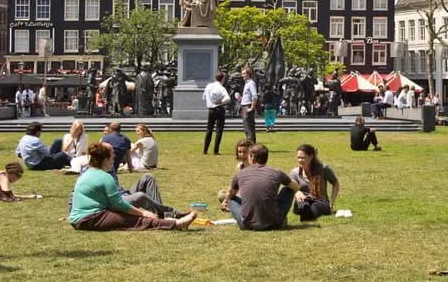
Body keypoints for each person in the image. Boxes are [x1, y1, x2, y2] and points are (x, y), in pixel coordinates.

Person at [68, 143, 196, 231]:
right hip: (90, 218)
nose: (114, 159)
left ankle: (166, 217)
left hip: (83, 218)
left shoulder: (89, 172)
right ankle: (176, 223)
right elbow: (119, 205)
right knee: (136, 220)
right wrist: (144, 212)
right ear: (105, 159)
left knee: (135, 216)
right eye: (112, 157)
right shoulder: (104, 176)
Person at [221, 144, 300, 231]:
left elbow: (231, 193)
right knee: (288, 189)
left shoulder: (240, 173)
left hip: (247, 225)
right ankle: (280, 220)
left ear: (253, 158)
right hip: (273, 223)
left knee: (232, 200)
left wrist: (226, 201)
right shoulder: (277, 172)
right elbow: (295, 187)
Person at [290, 144, 340, 222]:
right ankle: (305, 212)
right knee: (301, 203)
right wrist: (297, 192)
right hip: (304, 200)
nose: (300, 160)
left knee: (315, 206)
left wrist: (331, 202)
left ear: (311, 157)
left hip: (320, 201)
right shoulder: (295, 172)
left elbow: (335, 183)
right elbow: (290, 186)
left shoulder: (323, 168)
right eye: (298, 158)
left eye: (303, 158)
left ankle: (307, 214)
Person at [202, 70, 231, 155]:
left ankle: (205, 149)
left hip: (211, 109)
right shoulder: (221, 88)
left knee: (209, 130)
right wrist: (221, 103)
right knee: (219, 130)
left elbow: (204, 96)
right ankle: (216, 150)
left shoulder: (209, 86)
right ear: (223, 78)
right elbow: (227, 99)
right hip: (219, 109)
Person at [240, 67, 258, 143]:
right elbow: (248, 96)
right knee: (247, 127)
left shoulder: (251, 83)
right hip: (244, 105)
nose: (242, 75)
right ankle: (251, 145)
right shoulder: (247, 83)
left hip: (247, 106)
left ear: (248, 74)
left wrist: (252, 107)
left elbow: (254, 96)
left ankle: (251, 145)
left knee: (248, 128)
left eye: (244, 73)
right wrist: (240, 98)